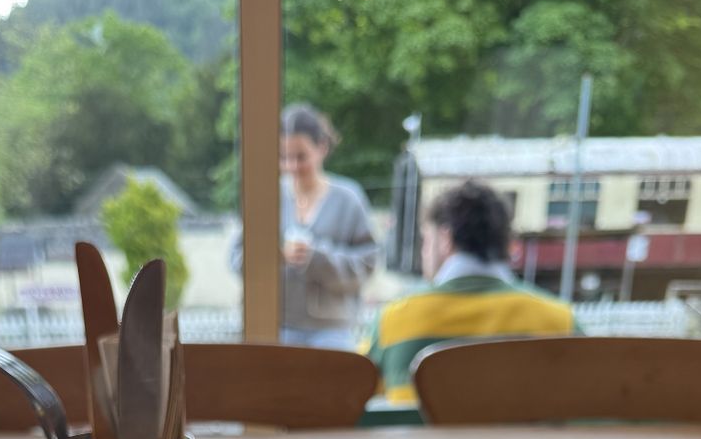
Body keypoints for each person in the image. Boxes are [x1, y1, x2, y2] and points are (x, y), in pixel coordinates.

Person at [364, 180, 579, 404]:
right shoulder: (562, 322)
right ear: (507, 243)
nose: (424, 252)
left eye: (425, 240)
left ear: (445, 239)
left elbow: (355, 394)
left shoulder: (393, 322)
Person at [231, 104, 377, 350]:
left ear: (322, 148)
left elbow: (368, 263)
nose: (292, 166)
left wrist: (316, 257)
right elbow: (235, 258)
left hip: (332, 332)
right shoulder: (265, 197)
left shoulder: (349, 199)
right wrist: (274, 256)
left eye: (300, 157)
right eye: (283, 157)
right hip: (271, 327)